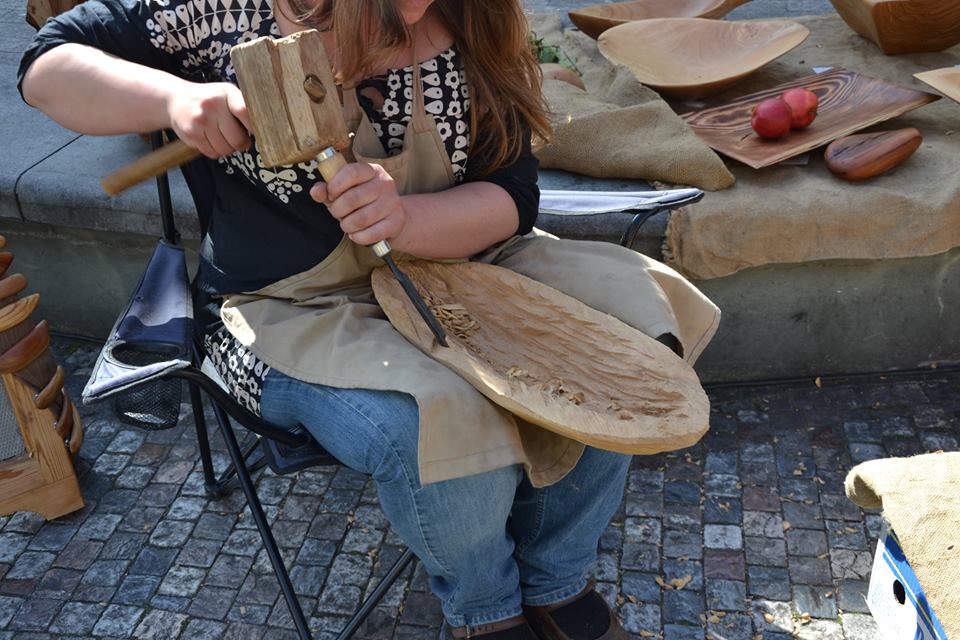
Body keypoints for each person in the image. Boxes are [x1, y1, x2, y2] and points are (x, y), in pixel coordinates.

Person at [19, 1, 720, 638]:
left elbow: (512, 195)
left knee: (627, 342)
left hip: (464, 263)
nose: (417, 9)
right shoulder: (220, 14)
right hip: (287, 308)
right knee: (436, 415)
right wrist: (177, 99)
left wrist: (408, 217)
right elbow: (48, 68)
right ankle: (487, 609)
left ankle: (555, 579)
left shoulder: (474, 19)